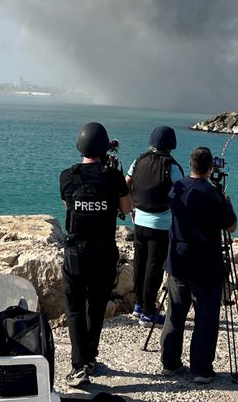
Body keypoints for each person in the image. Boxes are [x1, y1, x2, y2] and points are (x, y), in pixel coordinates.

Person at [60, 122, 132, 388]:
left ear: (79, 146)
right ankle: (89, 359)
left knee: (76, 309)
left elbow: (66, 204)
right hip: (103, 253)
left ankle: (79, 367)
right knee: (96, 307)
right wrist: (118, 178)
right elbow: (127, 208)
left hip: (76, 253)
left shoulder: (67, 176)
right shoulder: (113, 177)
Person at [161, 146, 237, 385]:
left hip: (178, 261)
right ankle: (201, 369)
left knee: (175, 313)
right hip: (206, 265)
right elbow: (231, 226)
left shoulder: (177, 188)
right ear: (210, 167)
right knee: (205, 317)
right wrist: (227, 202)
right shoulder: (213, 193)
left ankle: (170, 363)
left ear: (191, 164)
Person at [126, 125, 183, 326]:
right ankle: (149, 312)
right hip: (161, 224)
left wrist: (132, 207)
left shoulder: (139, 160)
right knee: (154, 267)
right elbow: (182, 193)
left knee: (140, 264)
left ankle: (138, 305)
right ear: (171, 145)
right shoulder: (172, 166)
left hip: (139, 222)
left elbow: (127, 183)